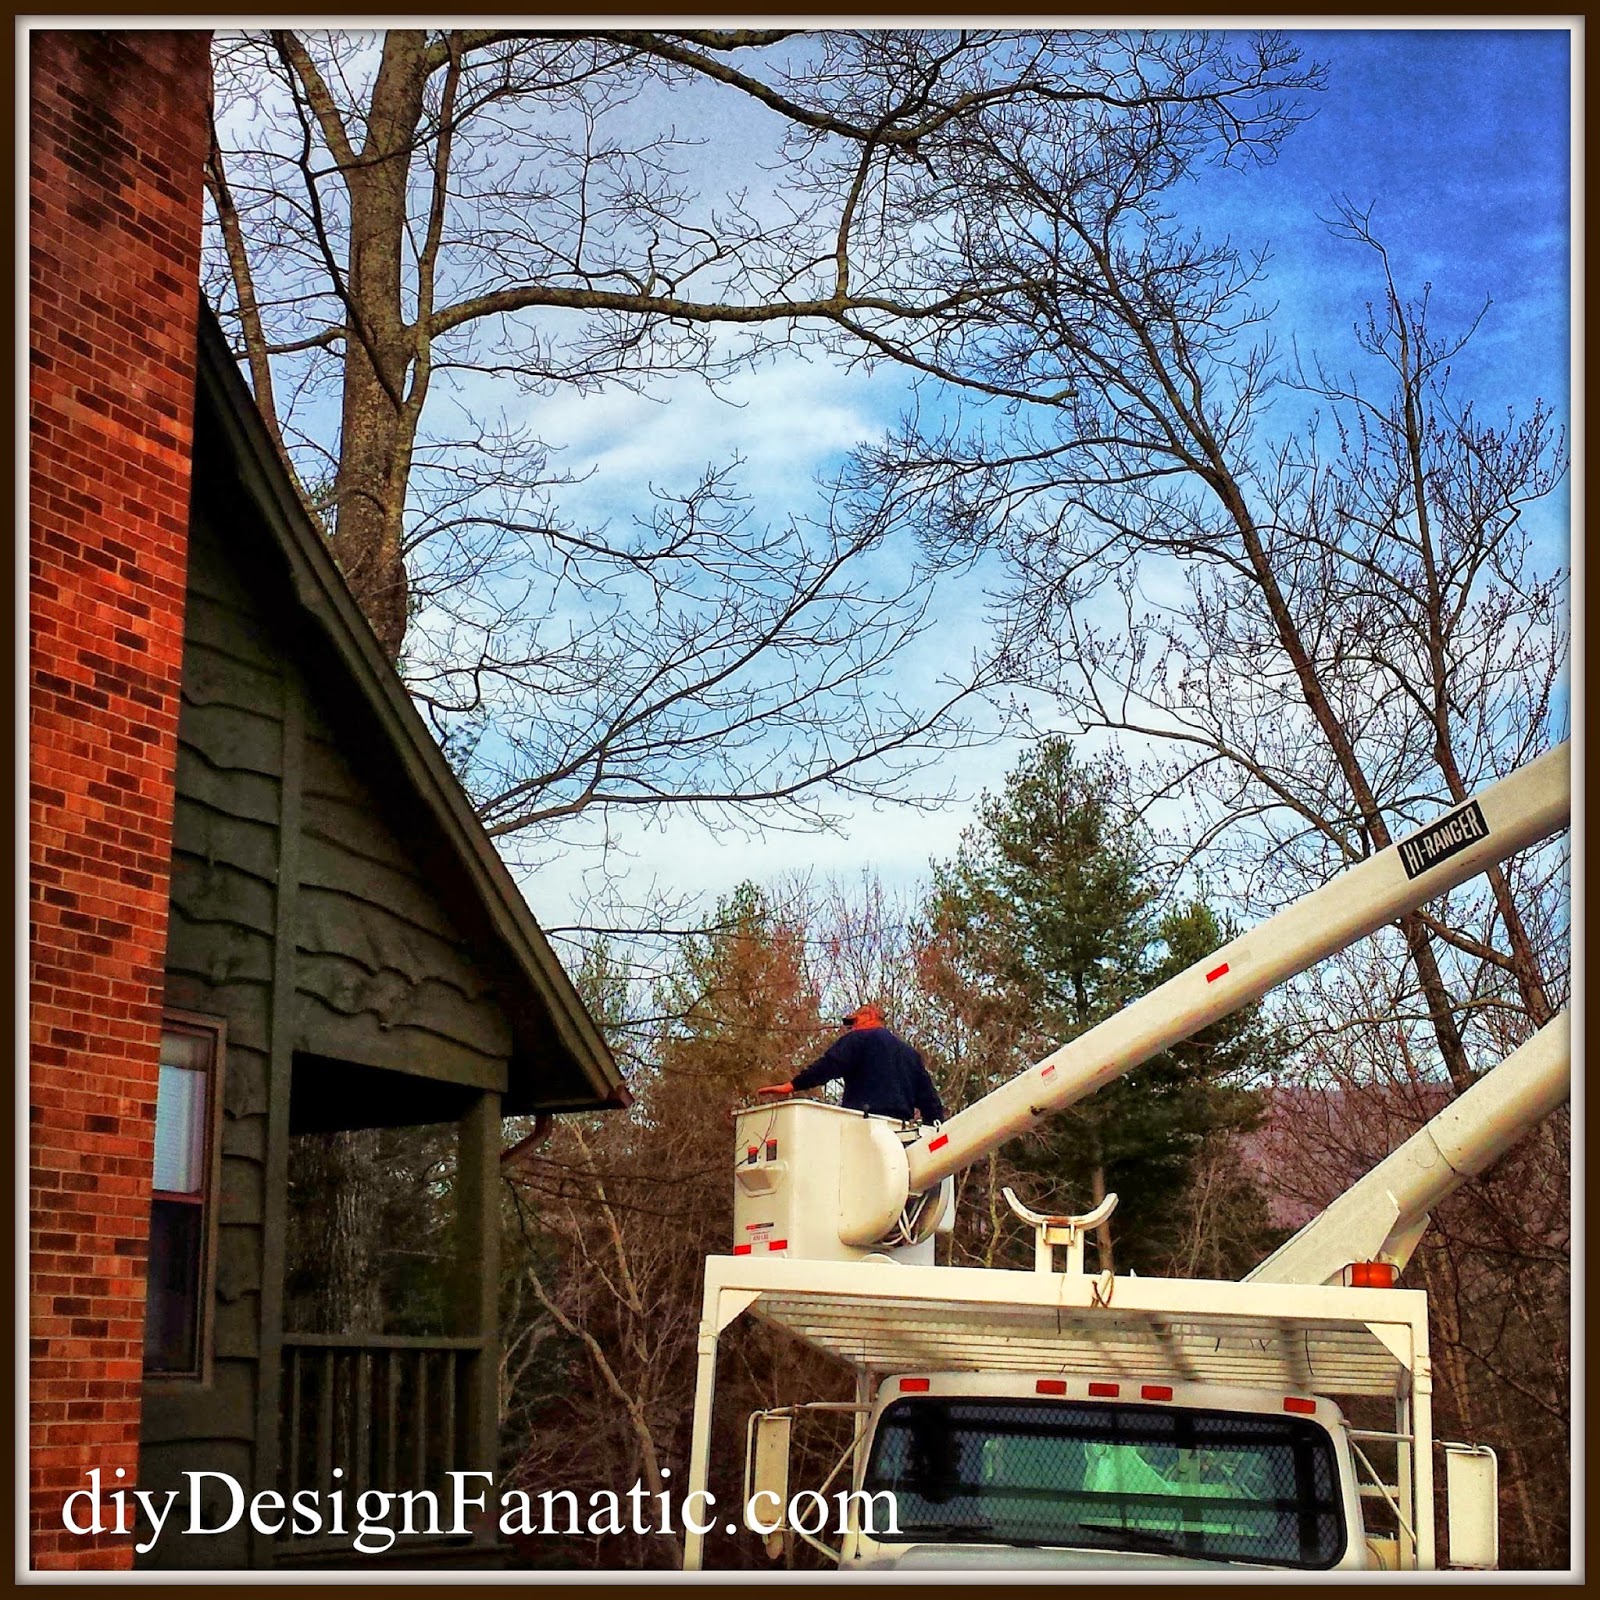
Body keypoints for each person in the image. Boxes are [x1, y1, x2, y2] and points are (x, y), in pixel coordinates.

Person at [757, 1003, 946, 1124]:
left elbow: (828, 1065)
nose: (851, 1027)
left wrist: (793, 1085)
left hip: (862, 1125)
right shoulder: (910, 1054)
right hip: (899, 1132)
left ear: (870, 1016)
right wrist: (932, 1134)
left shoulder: (858, 1039)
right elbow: (930, 1101)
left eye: (854, 1021)